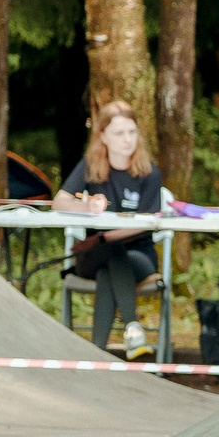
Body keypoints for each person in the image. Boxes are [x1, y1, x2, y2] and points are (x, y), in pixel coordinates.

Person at [54, 99, 163, 354]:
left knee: (111, 260)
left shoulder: (150, 172)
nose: (127, 139)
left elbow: (147, 222)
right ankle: (133, 328)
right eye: (119, 133)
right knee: (110, 250)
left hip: (139, 257)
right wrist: (87, 207)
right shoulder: (91, 165)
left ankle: (97, 355)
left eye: (132, 132)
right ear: (103, 136)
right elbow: (59, 202)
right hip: (93, 254)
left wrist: (106, 236)